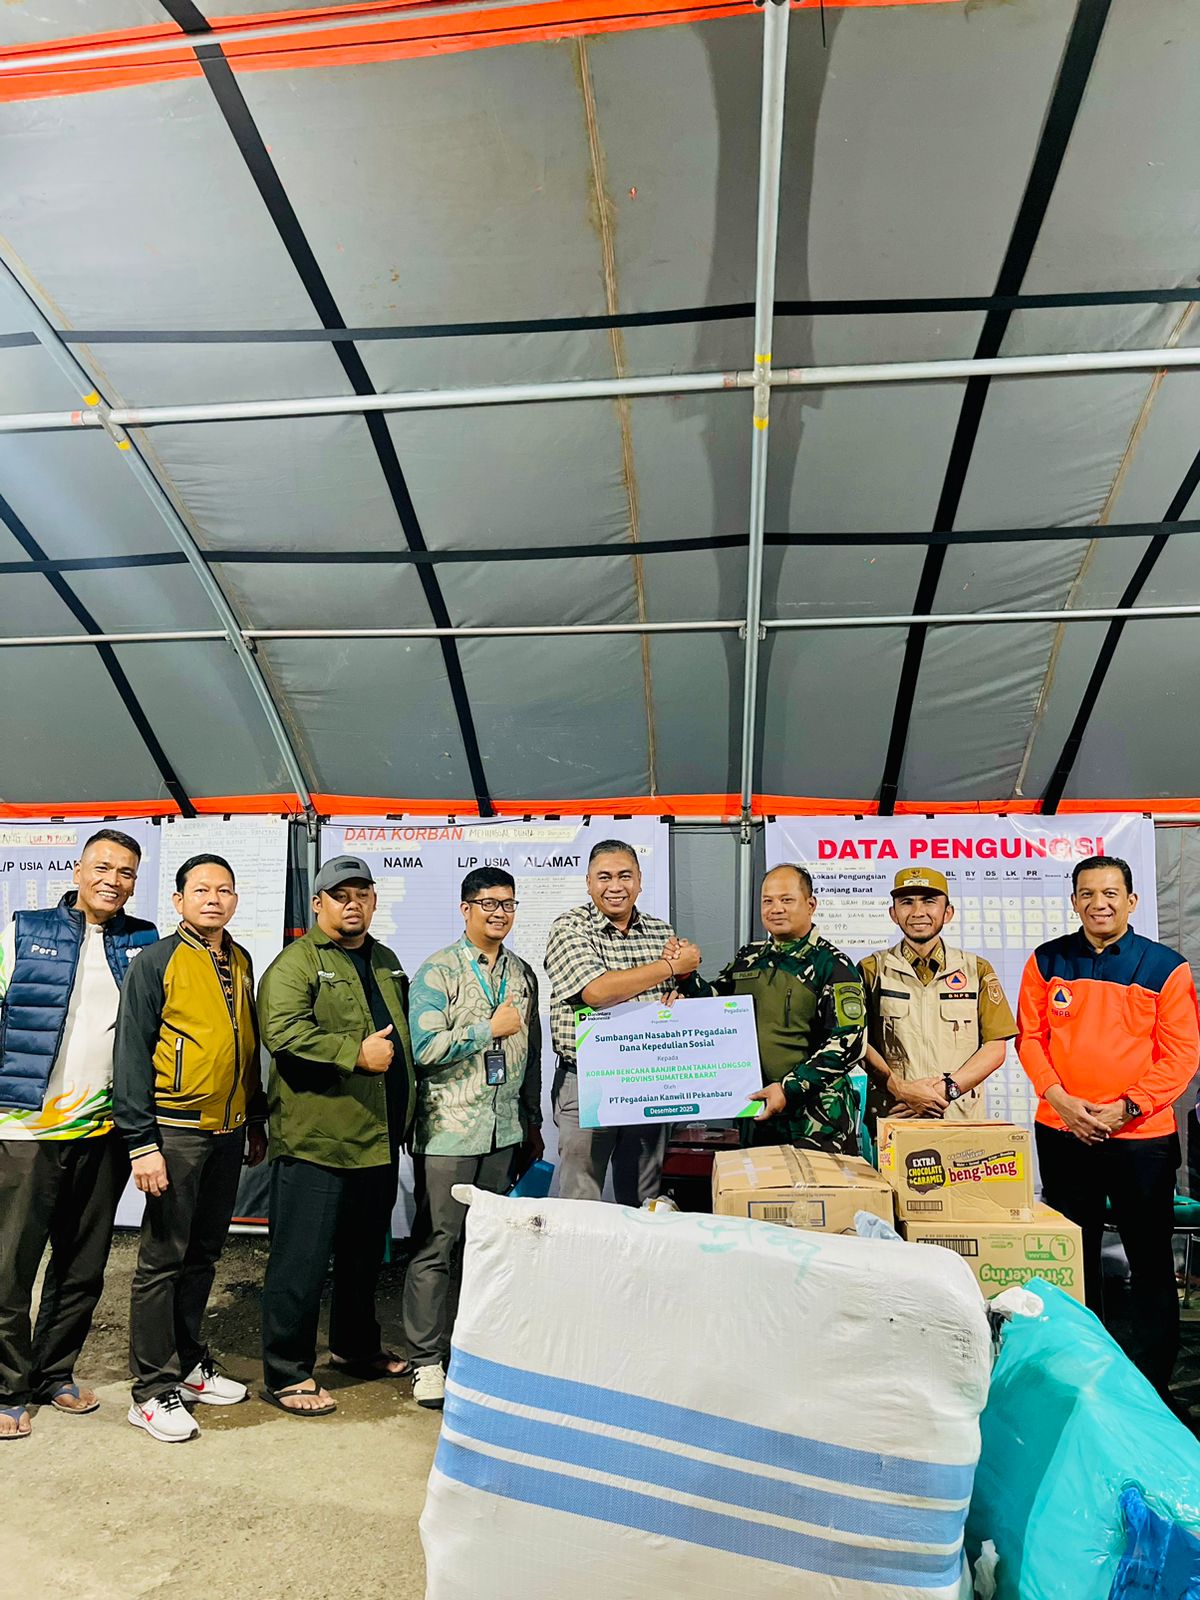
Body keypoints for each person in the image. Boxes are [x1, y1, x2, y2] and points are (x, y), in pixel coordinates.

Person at [1017, 853, 1200, 1402]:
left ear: (1131, 901)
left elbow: (1182, 1054)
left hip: (1141, 1141)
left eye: (1111, 893)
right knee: (1073, 1257)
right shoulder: (1047, 960)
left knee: (1150, 1261)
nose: (1099, 903)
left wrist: (1129, 1107)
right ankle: (1079, 1373)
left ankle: (1152, 1385)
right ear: (1074, 901)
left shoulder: (1164, 967)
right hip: (1063, 1131)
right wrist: (1060, 1100)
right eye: (1088, 894)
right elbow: (1031, 1038)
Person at [0, 830, 156, 1441]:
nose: (113, 880)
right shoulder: (23, 930)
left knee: (82, 1266)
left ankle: (52, 1373)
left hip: (103, 1129)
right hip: (25, 1130)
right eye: (103, 867)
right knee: (11, 1268)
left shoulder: (143, 941)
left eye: (126, 872)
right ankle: (8, 1387)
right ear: (77, 869)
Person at [114, 854, 266, 1443]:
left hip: (227, 1130)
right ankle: (151, 1390)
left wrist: (254, 1119)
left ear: (235, 900)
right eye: (200, 890)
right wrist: (141, 1142)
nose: (213, 899)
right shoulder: (157, 961)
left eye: (223, 890)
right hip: (173, 1131)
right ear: (178, 900)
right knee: (161, 1261)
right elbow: (132, 1052)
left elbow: (245, 1046)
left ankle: (188, 1362)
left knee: (203, 1254)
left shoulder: (241, 959)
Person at [257, 855, 416, 1418]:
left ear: (373, 901)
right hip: (317, 1142)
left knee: (361, 1259)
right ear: (318, 902)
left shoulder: (386, 960)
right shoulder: (295, 963)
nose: (353, 904)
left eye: (362, 894)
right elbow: (282, 1034)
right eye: (340, 895)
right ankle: (286, 1371)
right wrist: (354, 1054)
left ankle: (354, 1347)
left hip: (377, 1139)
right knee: (299, 1263)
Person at [402, 868, 542, 1410]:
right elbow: (423, 1049)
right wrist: (488, 1030)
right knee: (437, 1246)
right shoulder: (438, 970)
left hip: (503, 1131)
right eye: (488, 903)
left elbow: (530, 1053)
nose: (499, 913)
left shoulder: (521, 972)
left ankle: (476, 1350)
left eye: (508, 903)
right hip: (450, 1131)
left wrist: (531, 1120)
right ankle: (426, 1361)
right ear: (466, 909)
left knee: (488, 1249)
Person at [544, 839, 701, 1205]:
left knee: (644, 1198)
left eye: (625, 876)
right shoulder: (570, 927)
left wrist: (678, 994)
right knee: (581, 1199)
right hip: (588, 1081)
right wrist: (669, 966)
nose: (615, 886)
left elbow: (672, 998)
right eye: (604, 877)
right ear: (588, 883)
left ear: (640, 881)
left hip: (649, 1079)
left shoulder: (661, 932)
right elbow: (596, 992)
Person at [692, 864, 866, 1153]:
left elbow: (849, 1043)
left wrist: (789, 1089)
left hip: (816, 1119)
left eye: (787, 900)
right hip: (757, 1111)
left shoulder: (833, 965)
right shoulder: (749, 957)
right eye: (767, 901)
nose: (776, 909)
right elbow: (713, 1004)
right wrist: (685, 978)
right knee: (759, 1183)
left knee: (815, 1184)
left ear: (810, 905)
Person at [860, 868, 1015, 1126]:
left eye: (929, 901)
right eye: (906, 902)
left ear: (948, 912)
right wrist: (902, 1090)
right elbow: (857, 1042)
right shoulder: (872, 970)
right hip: (896, 1115)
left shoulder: (976, 969)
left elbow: (996, 1047)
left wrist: (946, 1090)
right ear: (893, 913)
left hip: (959, 1117)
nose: (918, 912)